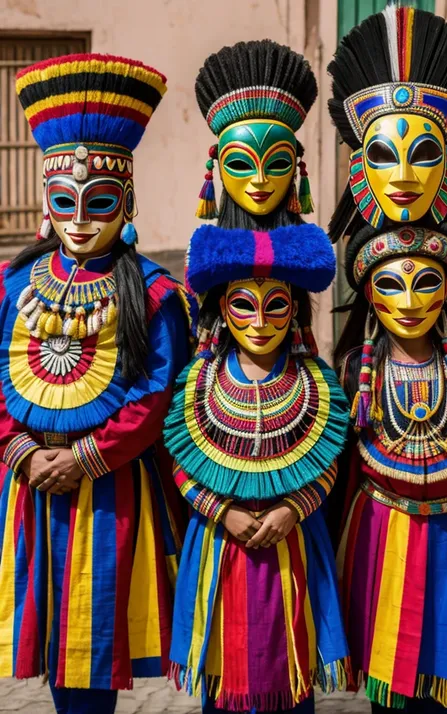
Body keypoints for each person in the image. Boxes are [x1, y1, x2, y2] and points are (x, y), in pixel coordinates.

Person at [163, 39, 350, 714]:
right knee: (225, 683)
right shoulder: (198, 383)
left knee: (289, 682)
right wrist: (228, 512)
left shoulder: (317, 384)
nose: (262, 319)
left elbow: (329, 454)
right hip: (222, 548)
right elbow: (181, 454)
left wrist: (288, 510)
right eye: (243, 304)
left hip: (291, 548)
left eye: (278, 305)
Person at [0, 53, 190, 714]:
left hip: (108, 489)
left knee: (92, 648)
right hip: (28, 488)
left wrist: (83, 458)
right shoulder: (12, 286)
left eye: (100, 201)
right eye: (65, 201)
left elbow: (156, 394)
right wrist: (21, 449)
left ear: (126, 201)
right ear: (47, 204)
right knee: (50, 644)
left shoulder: (158, 295)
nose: (81, 217)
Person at [327, 6, 447, 712]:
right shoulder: (352, 370)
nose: (410, 301)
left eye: (427, 282)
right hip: (381, 531)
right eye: (388, 282)